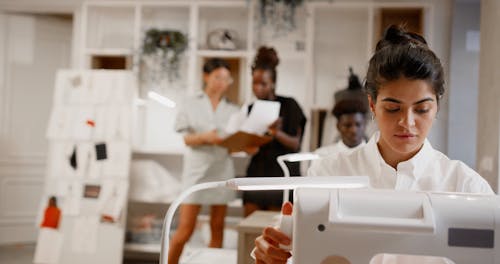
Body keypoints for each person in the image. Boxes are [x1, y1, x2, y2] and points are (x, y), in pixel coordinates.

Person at [252, 25, 494, 264]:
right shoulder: (328, 175)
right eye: (392, 108)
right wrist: (271, 255)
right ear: (372, 105)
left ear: (437, 106)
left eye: (422, 109)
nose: (407, 122)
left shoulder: (467, 188)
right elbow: (295, 252)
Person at [169, 58, 239, 264]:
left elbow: (235, 143)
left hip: (221, 170)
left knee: (217, 228)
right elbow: (185, 138)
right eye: (217, 77)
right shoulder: (191, 104)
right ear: (206, 76)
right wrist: (205, 138)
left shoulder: (233, 109)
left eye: (226, 79)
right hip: (196, 172)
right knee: (185, 229)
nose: (222, 83)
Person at [244, 46, 307, 217]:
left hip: (282, 177)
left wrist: (275, 133)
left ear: (273, 83)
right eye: (255, 83)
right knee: (249, 228)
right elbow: (250, 147)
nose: (258, 88)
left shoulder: (289, 106)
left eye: (263, 83)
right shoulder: (250, 109)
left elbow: (295, 144)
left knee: (276, 231)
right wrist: (247, 146)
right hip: (256, 175)